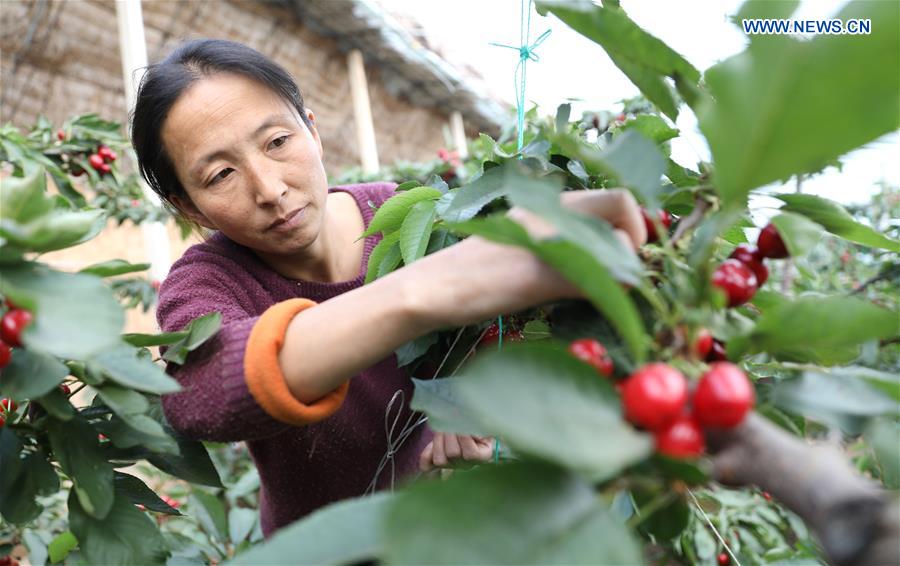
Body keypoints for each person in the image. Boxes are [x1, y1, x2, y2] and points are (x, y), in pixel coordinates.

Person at [130, 38, 646, 538]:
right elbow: (200, 391)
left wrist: (465, 400)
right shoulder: (207, 281)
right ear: (190, 207)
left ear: (312, 129)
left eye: (278, 142)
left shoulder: (411, 216)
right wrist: (419, 294)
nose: (269, 188)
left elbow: (496, 338)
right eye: (221, 174)